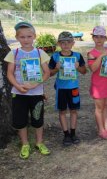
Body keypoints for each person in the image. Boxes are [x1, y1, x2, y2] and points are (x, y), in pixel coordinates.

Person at [5, 21, 51, 159]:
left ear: (34, 36)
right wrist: (18, 86)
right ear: (17, 38)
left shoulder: (40, 52)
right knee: (20, 120)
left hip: (36, 93)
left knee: (37, 118)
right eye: (22, 37)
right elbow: (9, 73)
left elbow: (47, 72)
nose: (26, 40)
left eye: (29, 36)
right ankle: (25, 144)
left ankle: (39, 142)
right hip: (19, 93)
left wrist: (35, 85)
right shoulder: (14, 53)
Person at [48, 31, 87, 146]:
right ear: (59, 43)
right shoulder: (55, 56)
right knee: (62, 111)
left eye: (69, 42)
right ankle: (66, 135)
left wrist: (78, 67)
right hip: (61, 88)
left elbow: (84, 71)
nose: (66, 44)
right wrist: (56, 68)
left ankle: (73, 133)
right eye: (63, 42)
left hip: (73, 88)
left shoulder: (77, 56)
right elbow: (50, 73)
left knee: (74, 110)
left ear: (73, 43)